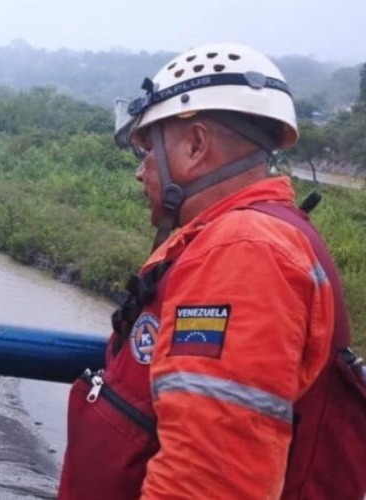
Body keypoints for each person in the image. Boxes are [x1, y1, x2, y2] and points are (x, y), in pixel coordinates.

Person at [58, 42, 366, 499]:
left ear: (196, 145)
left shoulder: (243, 254)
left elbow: (207, 482)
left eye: (147, 151)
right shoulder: (241, 238)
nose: (140, 174)